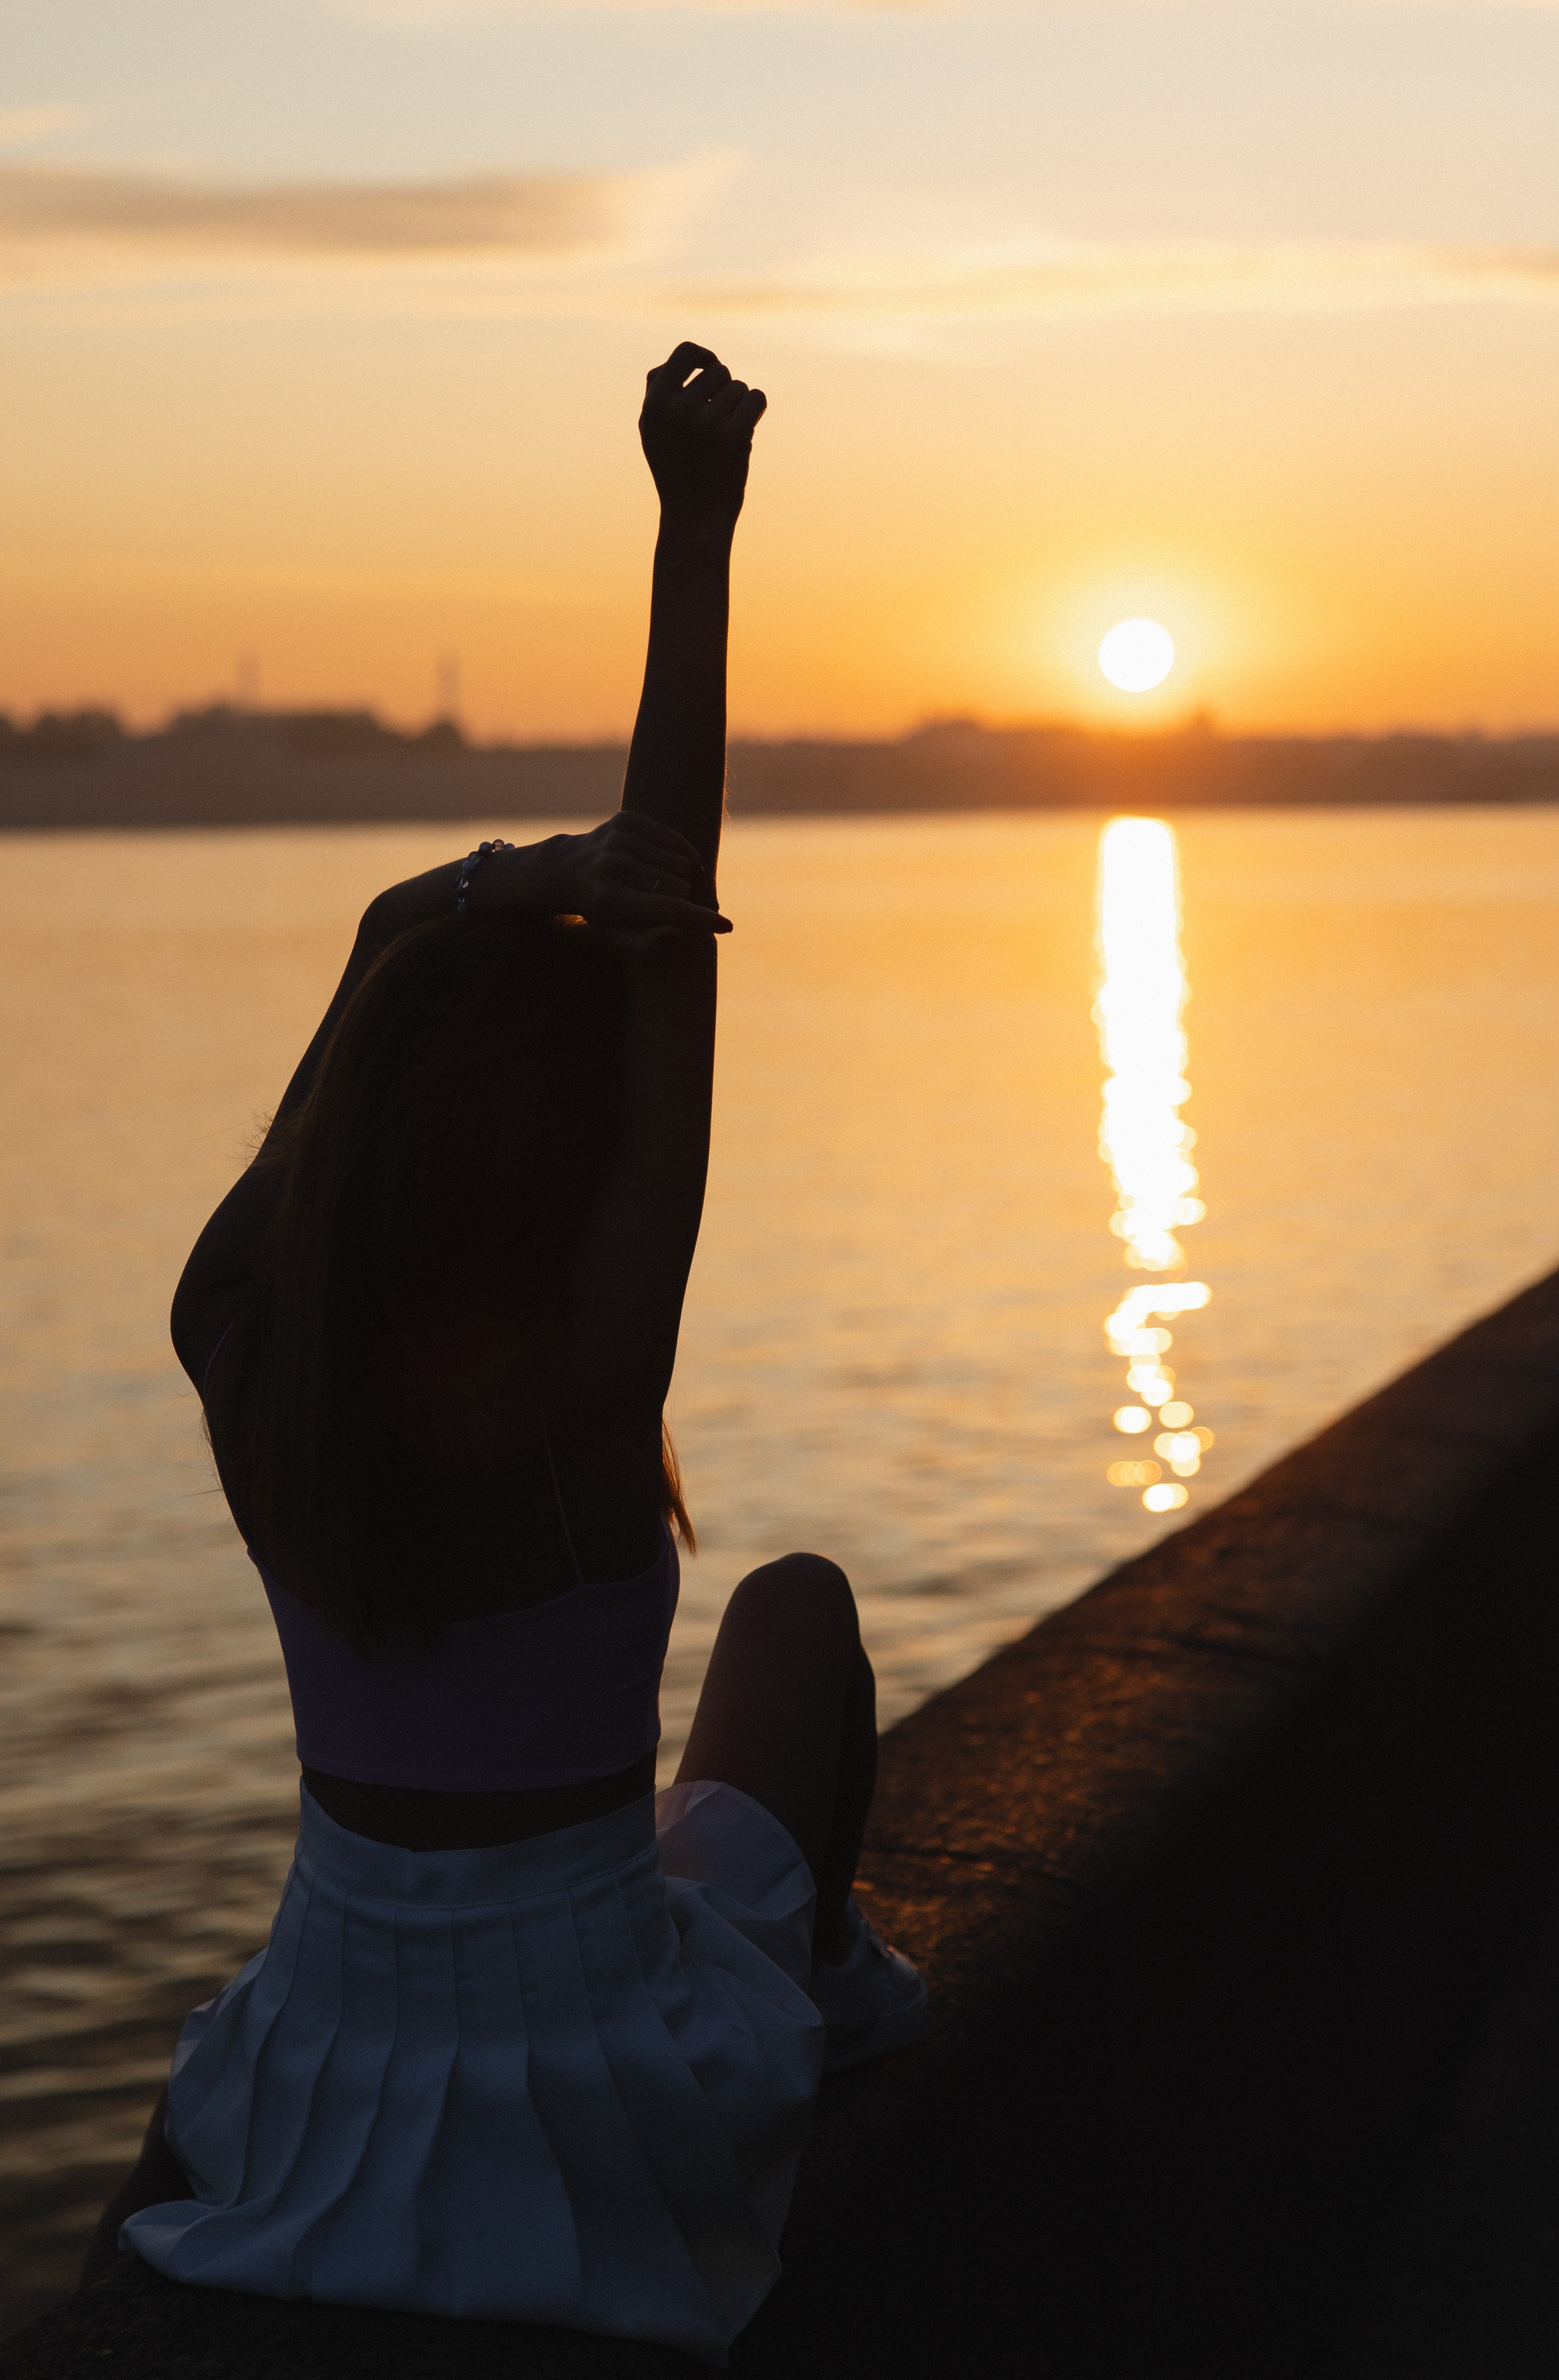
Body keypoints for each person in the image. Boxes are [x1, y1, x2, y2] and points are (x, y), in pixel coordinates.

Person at [81, 344, 925, 2365]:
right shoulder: (582, 1386)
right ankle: (835, 1986)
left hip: (331, 2054)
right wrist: (694, 533)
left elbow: (387, 971)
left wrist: (488, 886)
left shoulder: (244, 1347)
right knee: (796, 1614)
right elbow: (673, 934)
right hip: (590, 2074)